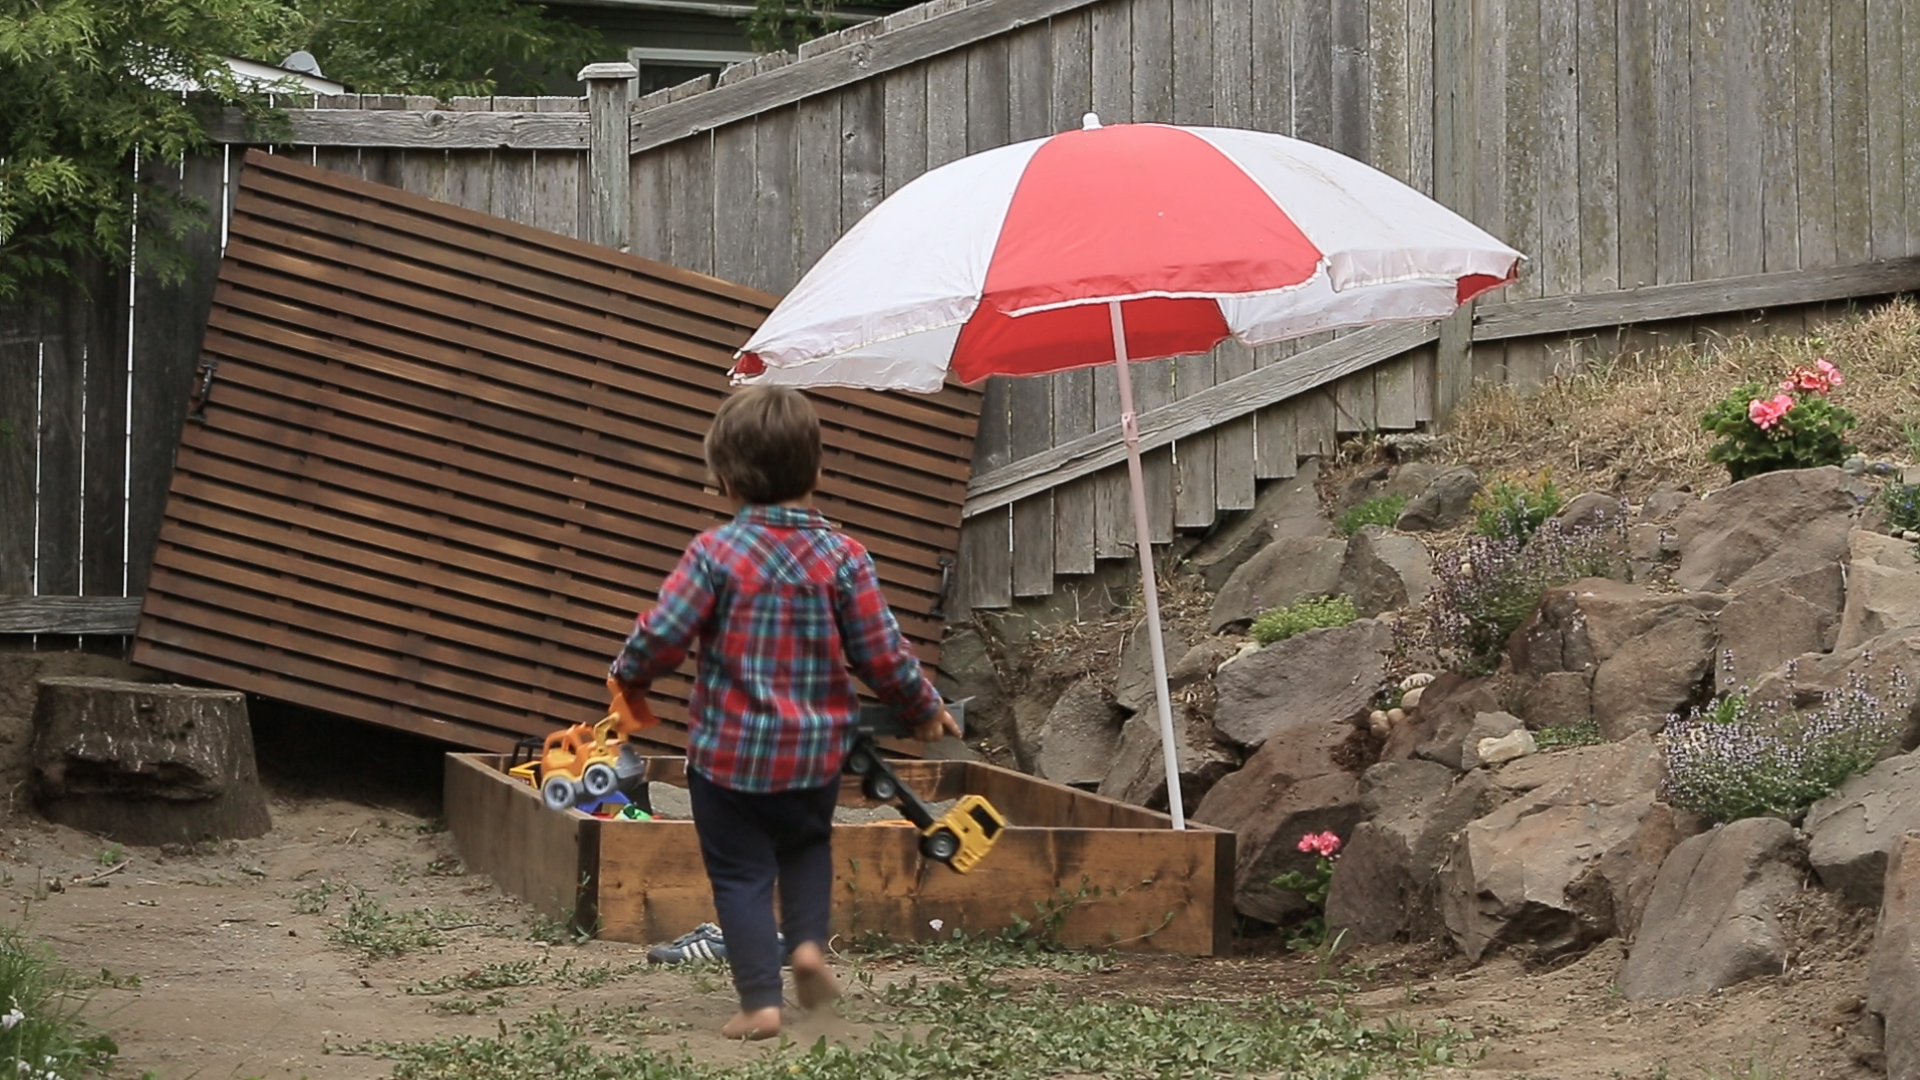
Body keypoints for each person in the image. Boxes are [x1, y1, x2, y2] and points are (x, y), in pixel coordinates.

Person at [608, 384, 959, 1041]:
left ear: (723, 478)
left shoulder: (714, 554)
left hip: (727, 758)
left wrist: (630, 674)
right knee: (805, 849)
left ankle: (760, 1004)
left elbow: (664, 633)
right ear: (818, 471)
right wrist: (924, 707)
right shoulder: (843, 558)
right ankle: (806, 947)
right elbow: (882, 652)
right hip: (812, 757)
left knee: (740, 875)